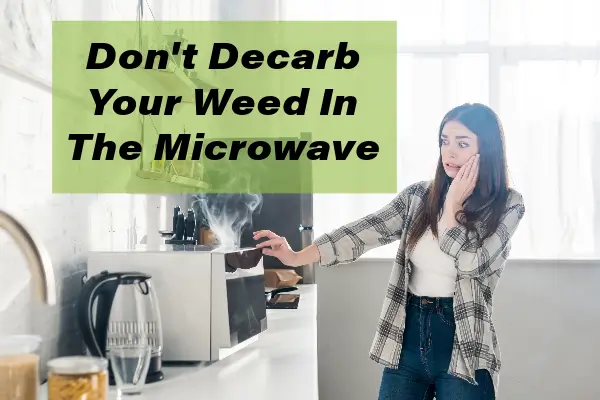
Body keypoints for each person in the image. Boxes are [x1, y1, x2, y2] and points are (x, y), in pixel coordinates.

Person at [253, 103, 525, 400]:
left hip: (464, 344)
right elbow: (363, 232)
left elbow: (473, 264)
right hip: (409, 333)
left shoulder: (508, 205)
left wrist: (452, 210)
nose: (449, 152)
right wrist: (295, 257)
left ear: (487, 150)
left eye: (462, 143)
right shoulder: (419, 197)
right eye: (444, 141)